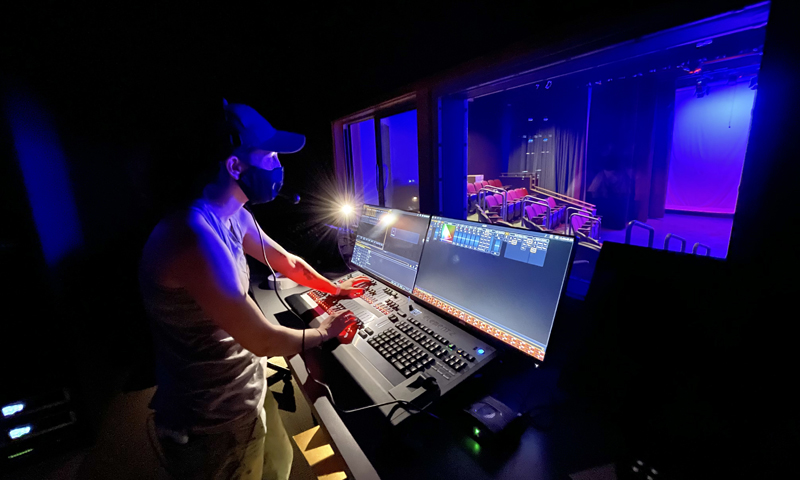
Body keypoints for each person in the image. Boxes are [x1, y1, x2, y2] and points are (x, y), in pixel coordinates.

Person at [138, 101, 367, 480]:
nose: (279, 166)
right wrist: (325, 332)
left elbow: (287, 262)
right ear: (234, 166)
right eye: (271, 156)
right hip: (213, 418)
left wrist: (334, 289)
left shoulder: (232, 213)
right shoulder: (193, 235)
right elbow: (261, 340)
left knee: (279, 463)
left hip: (246, 388)